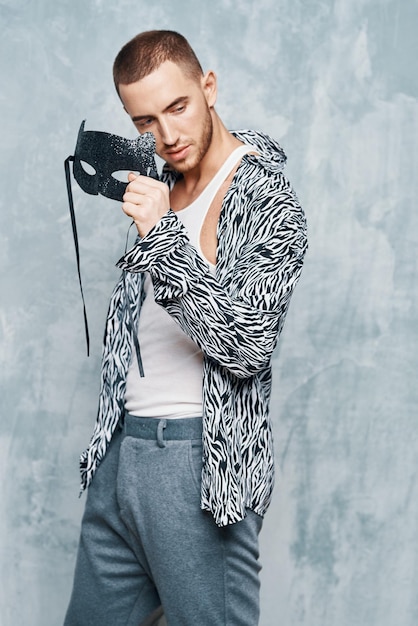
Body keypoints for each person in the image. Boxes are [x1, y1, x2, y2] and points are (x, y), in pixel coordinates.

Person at [64, 30, 307, 626]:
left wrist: (161, 233)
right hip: (121, 454)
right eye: (145, 121)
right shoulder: (162, 187)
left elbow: (246, 345)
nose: (167, 137)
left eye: (178, 108)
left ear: (209, 87)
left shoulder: (268, 201)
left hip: (198, 460)